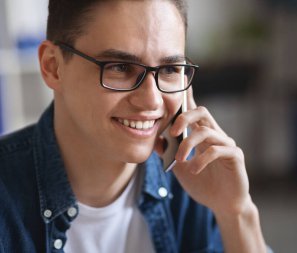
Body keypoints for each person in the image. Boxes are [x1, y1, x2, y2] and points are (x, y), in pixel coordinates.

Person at [0, 0, 270, 252]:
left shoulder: (195, 182)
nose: (151, 100)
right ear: (53, 67)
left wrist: (236, 212)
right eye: (120, 67)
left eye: (169, 70)